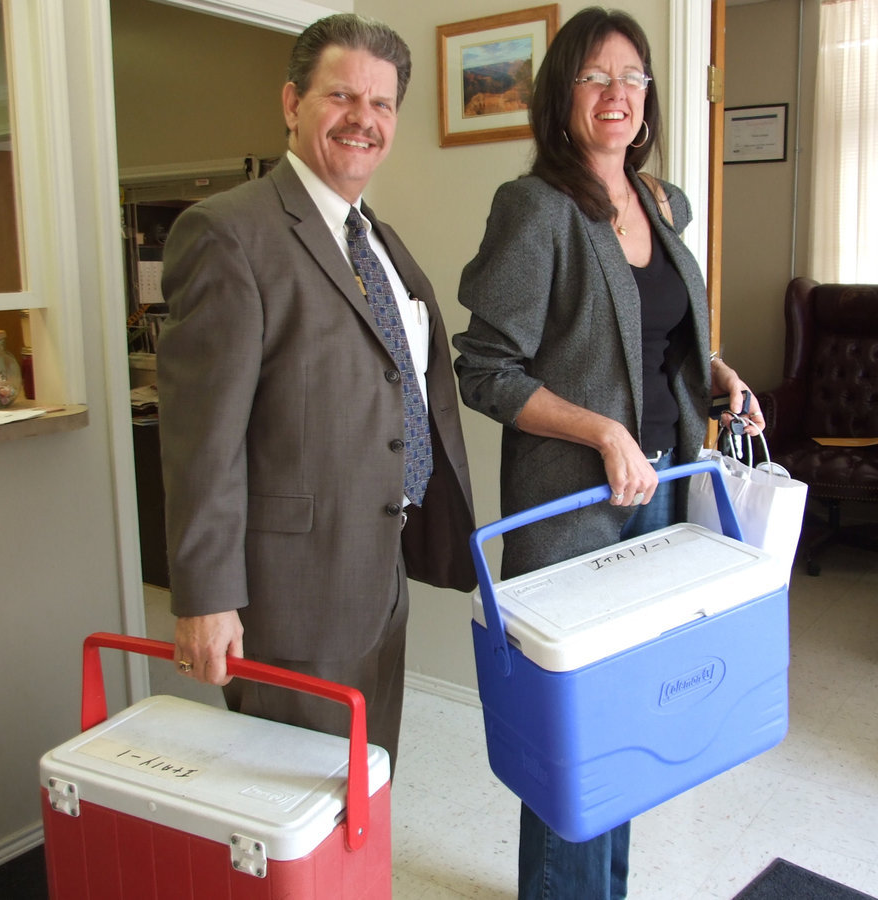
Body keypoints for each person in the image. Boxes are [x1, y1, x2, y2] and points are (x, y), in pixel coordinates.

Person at [452, 7, 762, 898]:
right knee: (572, 744)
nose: (617, 93)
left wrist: (712, 374)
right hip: (576, 512)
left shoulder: (658, 203)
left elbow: (649, 337)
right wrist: (602, 431)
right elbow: (485, 371)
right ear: (562, 95)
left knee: (628, 723)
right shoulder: (535, 208)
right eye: (595, 77)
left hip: (665, 498)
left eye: (633, 76)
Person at [158, 13, 476, 771]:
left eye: (383, 104)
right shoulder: (229, 232)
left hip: (379, 565)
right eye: (342, 96)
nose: (363, 119)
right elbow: (203, 437)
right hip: (291, 594)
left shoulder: (380, 240)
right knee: (291, 806)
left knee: (366, 781)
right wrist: (205, 598)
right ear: (292, 102)